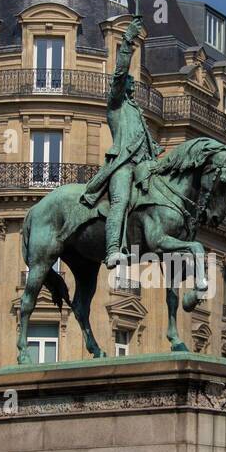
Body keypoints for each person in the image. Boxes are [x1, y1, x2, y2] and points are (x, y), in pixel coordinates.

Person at [79, 14, 160, 268]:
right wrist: (126, 41)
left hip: (144, 165)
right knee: (121, 200)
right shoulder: (116, 106)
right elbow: (119, 74)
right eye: (129, 82)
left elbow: (145, 141)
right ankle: (113, 248)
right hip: (123, 165)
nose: (133, 83)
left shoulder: (137, 111)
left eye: (134, 83)